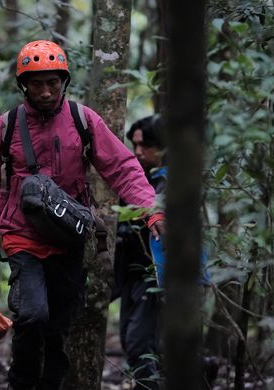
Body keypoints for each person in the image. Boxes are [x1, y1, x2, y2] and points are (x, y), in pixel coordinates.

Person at [0, 40, 165, 390]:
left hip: (69, 239)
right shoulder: (5, 127)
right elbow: (2, 189)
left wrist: (152, 213)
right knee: (32, 314)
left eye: (52, 82)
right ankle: (21, 384)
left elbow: (123, 169)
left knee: (58, 327)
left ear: (64, 82)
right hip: (22, 237)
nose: (45, 91)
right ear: (23, 85)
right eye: (36, 83)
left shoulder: (84, 121)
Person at [114, 115, 165, 390]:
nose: (138, 152)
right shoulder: (135, 180)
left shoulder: (171, 182)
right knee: (130, 339)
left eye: (145, 145)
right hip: (130, 273)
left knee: (139, 343)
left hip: (154, 275)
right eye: (134, 145)